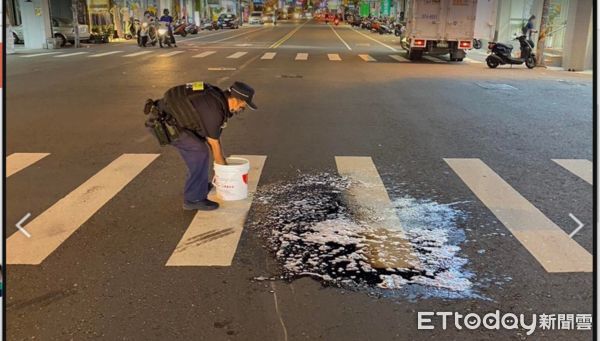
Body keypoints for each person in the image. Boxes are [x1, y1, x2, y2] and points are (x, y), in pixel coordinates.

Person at [150, 82, 257, 211]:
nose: (241, 109)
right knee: (199, 152)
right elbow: (214, 144)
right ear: (235, 99)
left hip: (171, 119)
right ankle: (193, 199)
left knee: (198, 150)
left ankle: (198, 186)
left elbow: (213, 135)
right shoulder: (214, 111)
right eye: (243, 105)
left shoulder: (216, 96)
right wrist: (223, 171)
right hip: (165, 125)